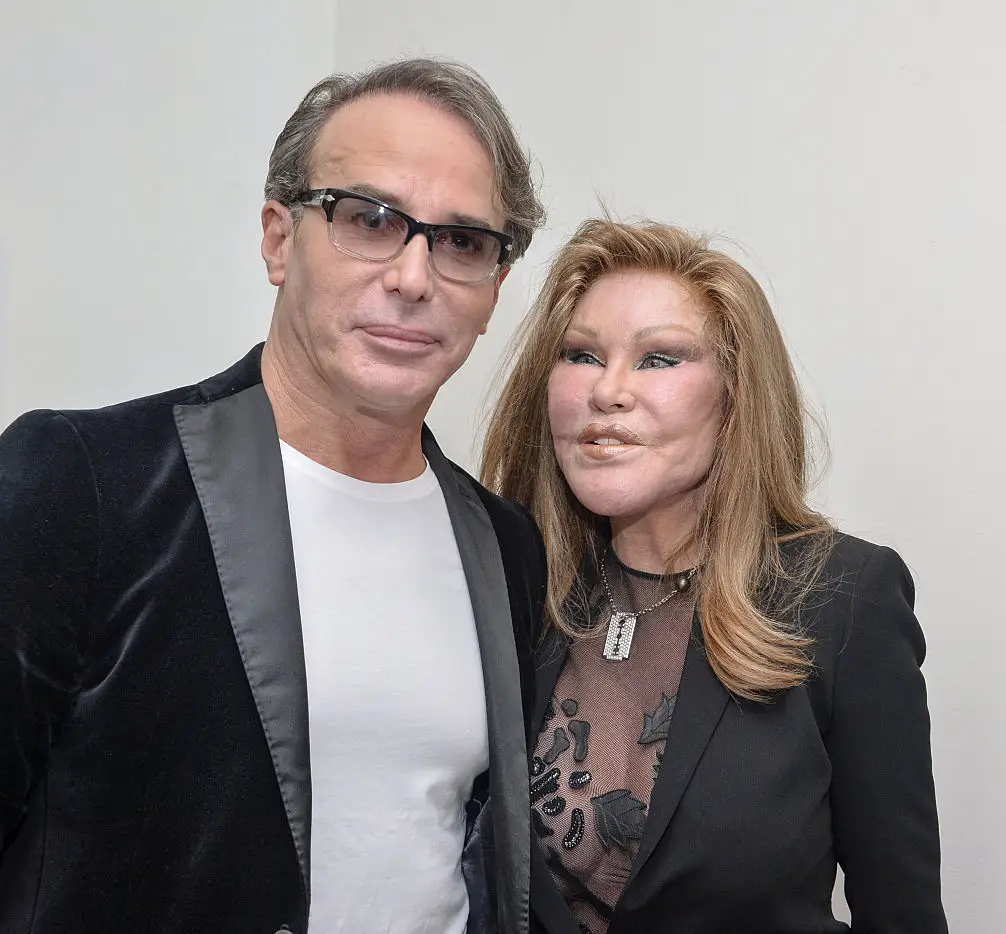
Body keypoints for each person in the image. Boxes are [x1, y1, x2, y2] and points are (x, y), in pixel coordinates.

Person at [0, 59, 547, 934]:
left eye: (461, 242)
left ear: (491, 291)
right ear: (278, 239)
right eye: (369, 219)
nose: (414, 277)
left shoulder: (507, 546)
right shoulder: (86, 482)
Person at [482, 218, 947, 934]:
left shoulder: (844, 599)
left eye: (660, 359)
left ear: (735, 396)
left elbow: (901, 912)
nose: (608, 391)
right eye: (580, 355)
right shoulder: (508, 582)